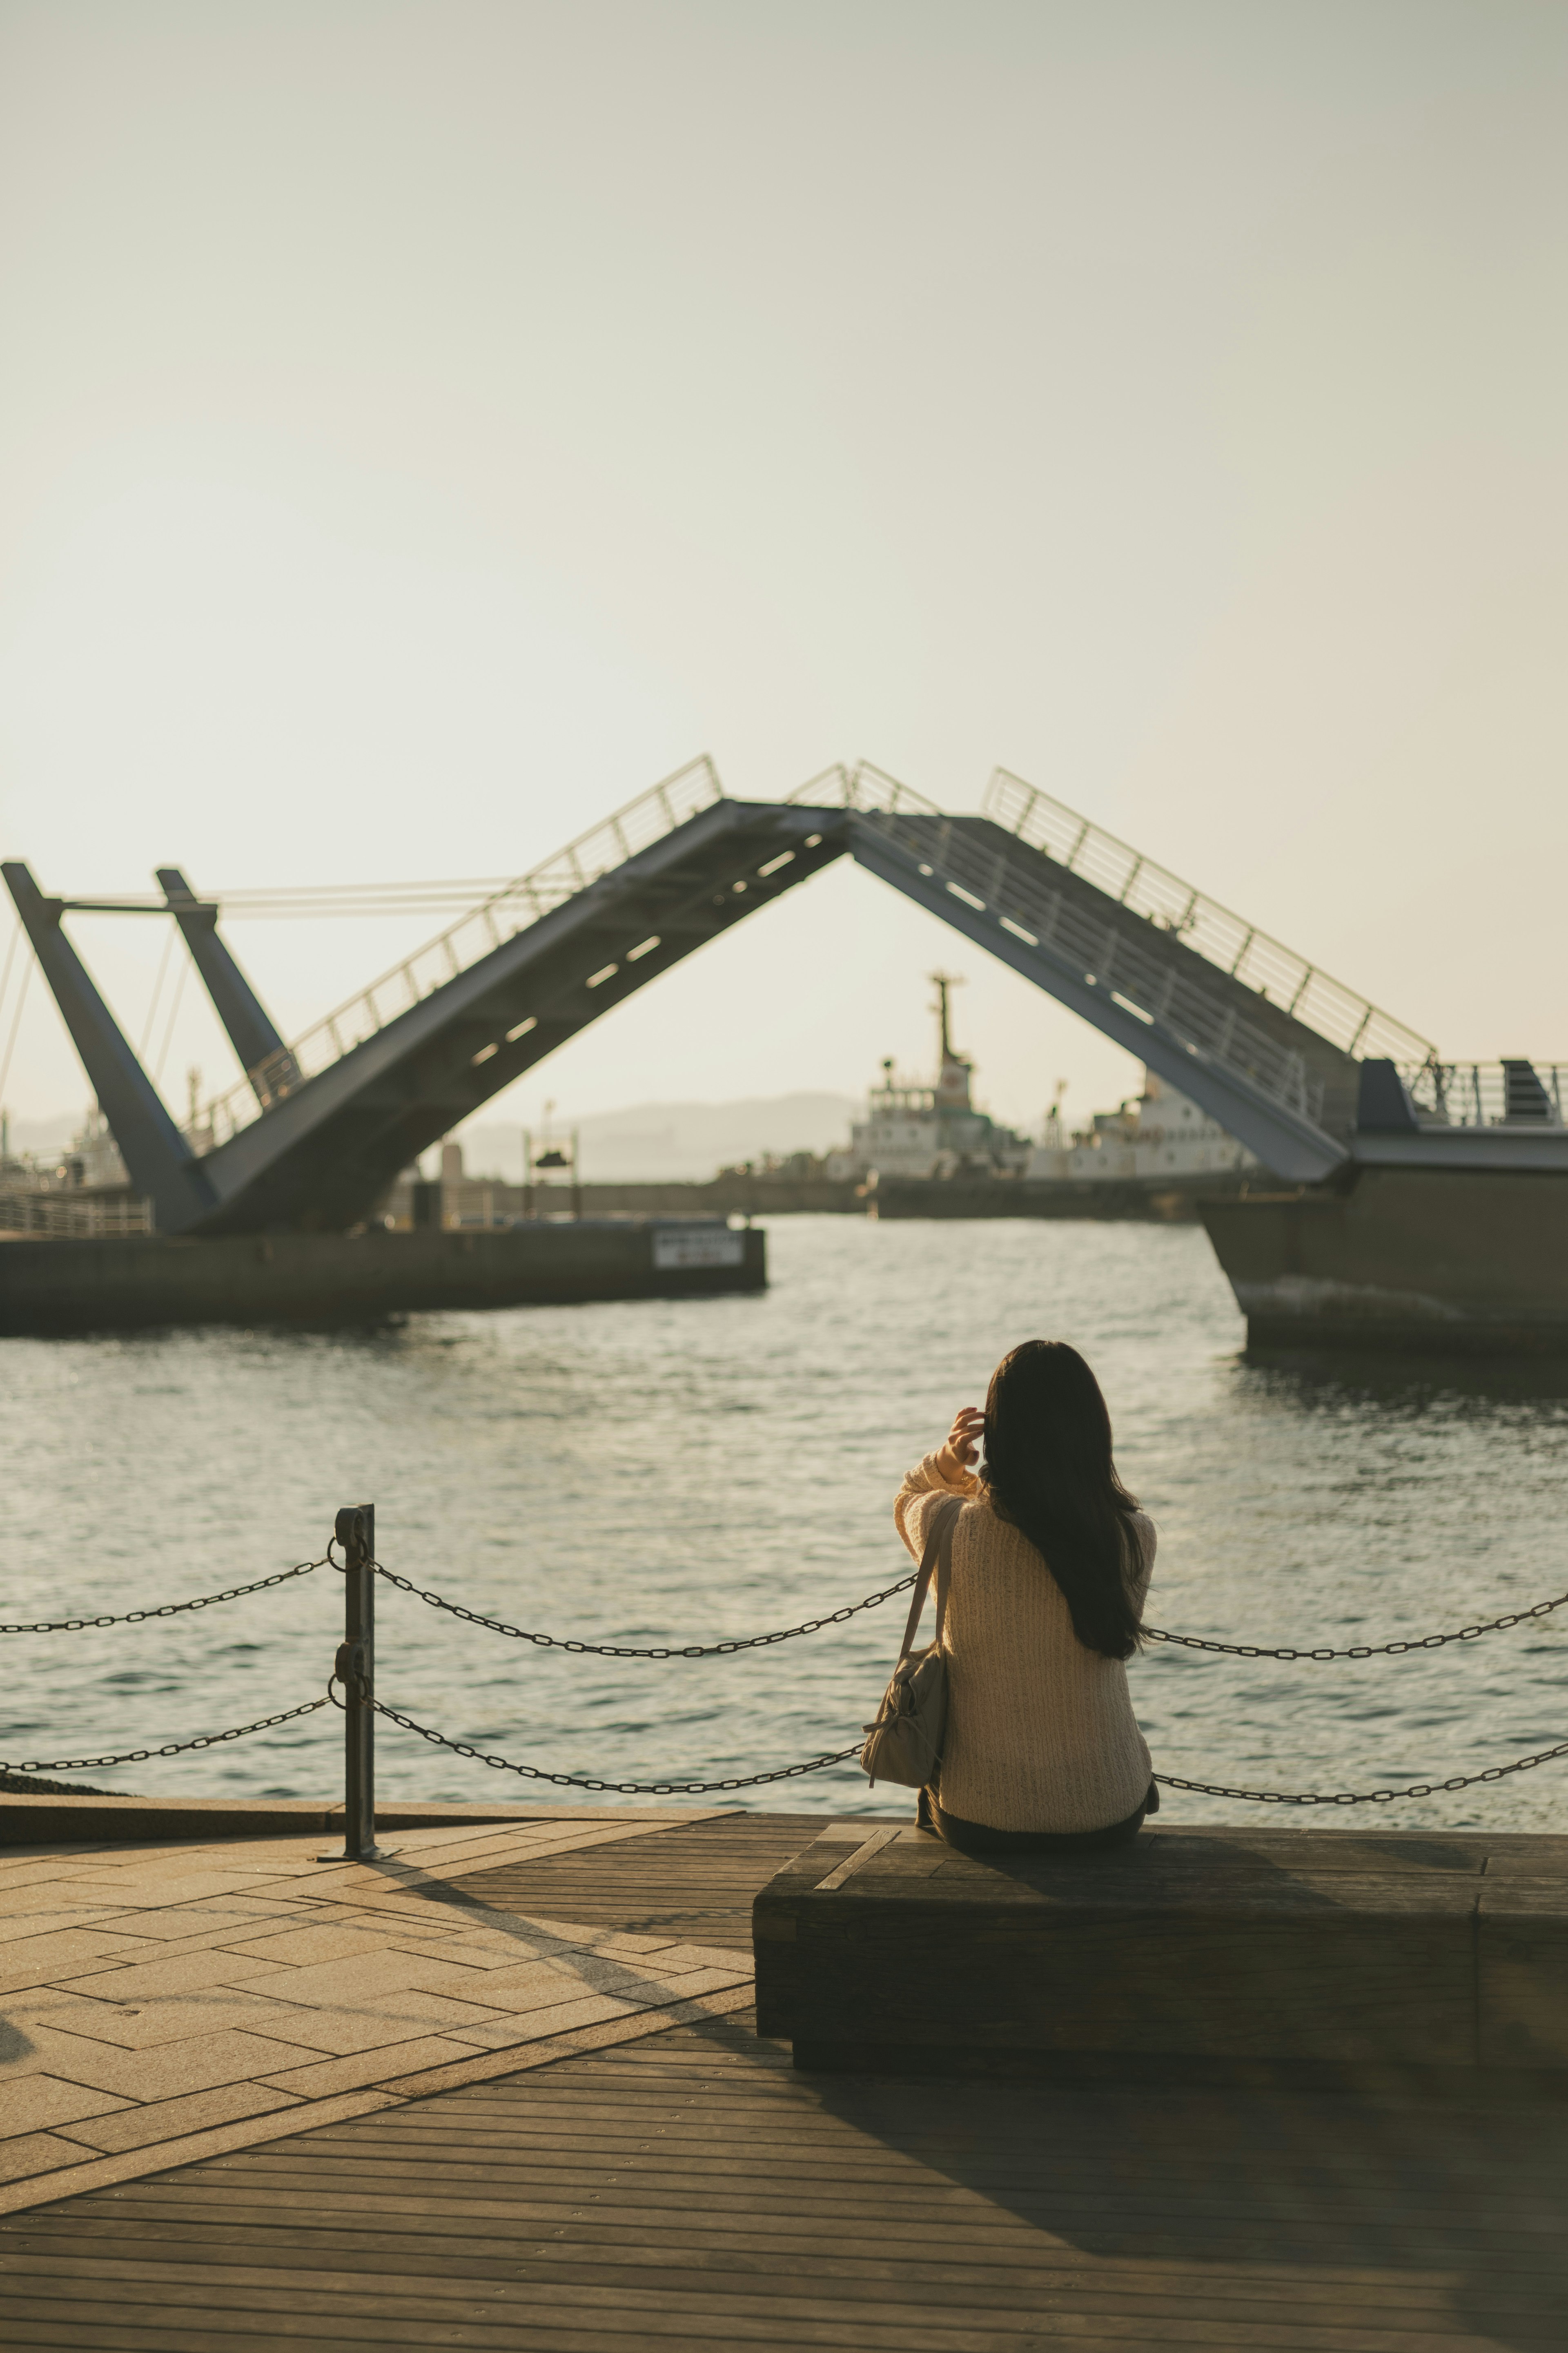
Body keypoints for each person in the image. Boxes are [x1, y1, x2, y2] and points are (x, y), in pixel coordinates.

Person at [895, 1337, 1158, 1855]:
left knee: (929, 1801)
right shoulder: (1133, 1536)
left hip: (982, 1817)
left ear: (999, 1432)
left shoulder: (947, 1529)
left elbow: (907, 1499)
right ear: (1094, 1431)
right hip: (1109, 1813)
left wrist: (950, 1467)